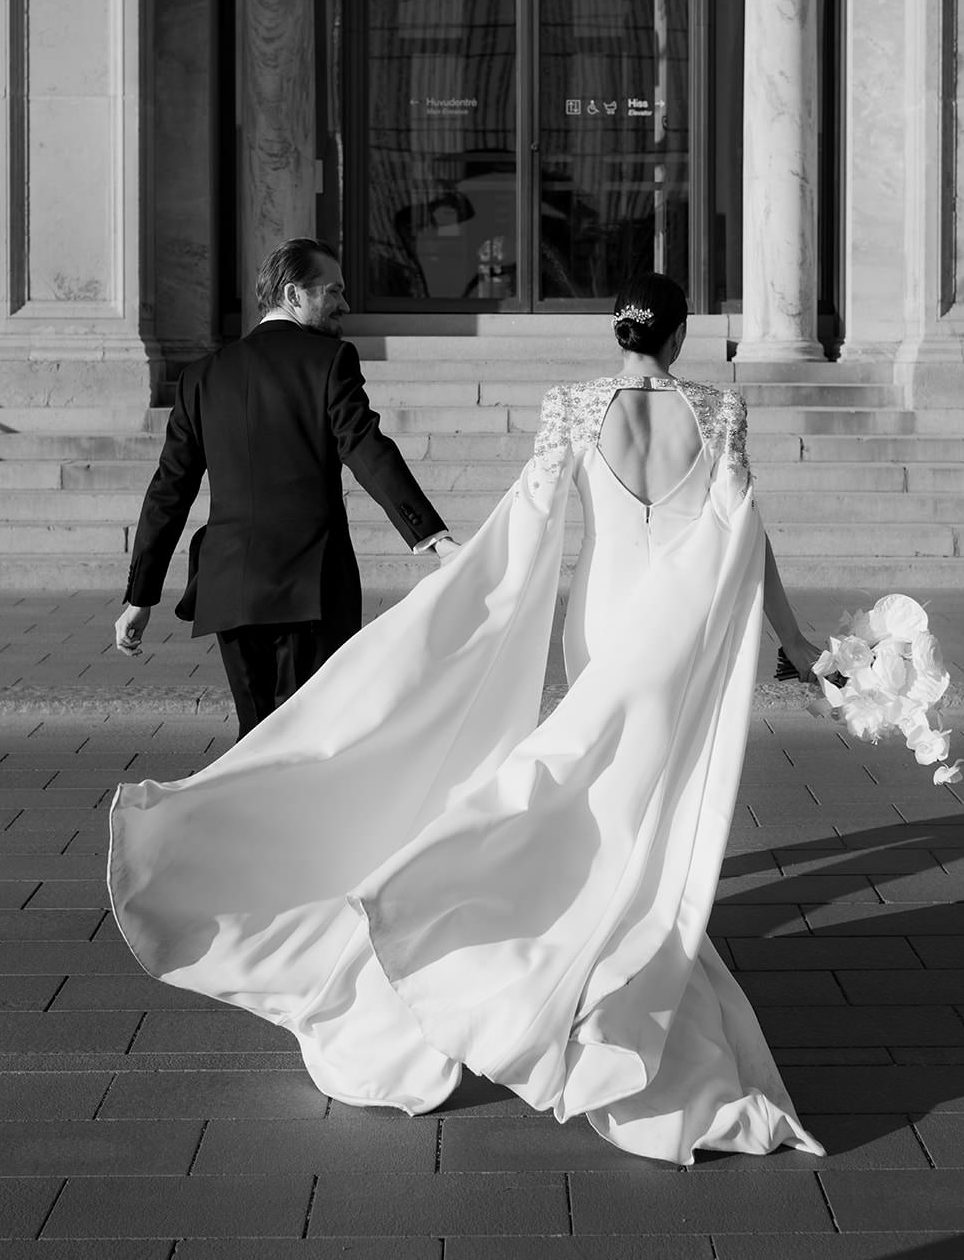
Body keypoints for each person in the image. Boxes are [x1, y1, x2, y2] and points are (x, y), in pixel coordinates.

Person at [109, 271, 826, 1166]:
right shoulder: (720, 416)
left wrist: (459, 583)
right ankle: (613, 966)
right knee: (652, 804)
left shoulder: (570, 405)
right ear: (678, 338)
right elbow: (745, 535)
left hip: (598, 623)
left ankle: (541, 944)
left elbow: (528, 520)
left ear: (617, 334)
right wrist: (797, 643)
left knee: (590, 787)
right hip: (671, 636)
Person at [114, 238, 456, 736]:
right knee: (306, 737)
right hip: (309, 585)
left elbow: (169, 489)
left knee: (255, 736)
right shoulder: (329, 360)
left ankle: (244, 814)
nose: (344, 303)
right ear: (294, 295)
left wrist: (139, 598)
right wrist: (434, 538)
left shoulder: (201, 377)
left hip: (230, 587)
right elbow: (367, 449)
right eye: (333, 290)